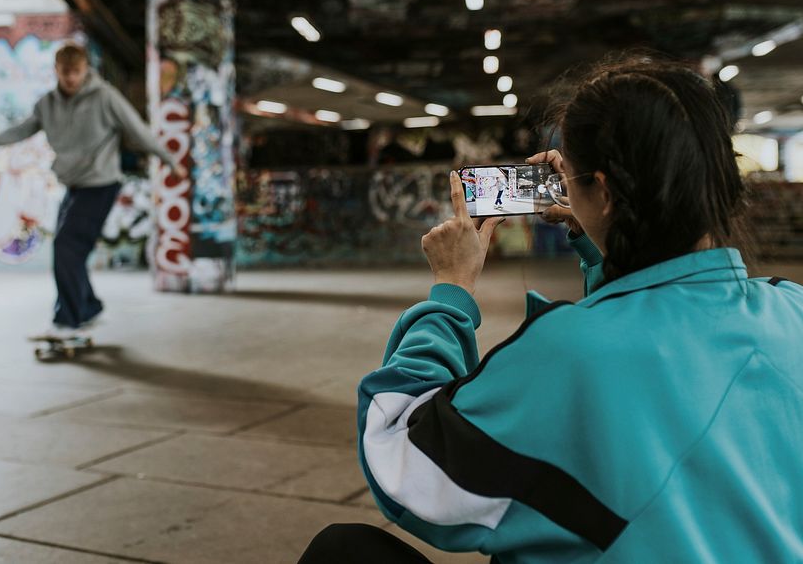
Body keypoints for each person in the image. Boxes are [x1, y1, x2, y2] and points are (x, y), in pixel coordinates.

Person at [300, 56, 803, 562]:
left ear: (601, 191)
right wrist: (599, 238)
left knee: (343, 550)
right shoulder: (793, 308)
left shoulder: (566, 350)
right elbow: (651, 312)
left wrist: (452, 289)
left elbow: (402, 454)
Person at [0, 42, 185, 337]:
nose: (71, 79)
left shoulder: (105, 97)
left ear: (86, 70)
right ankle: (88, 307)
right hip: (73, 186)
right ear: (56, 71)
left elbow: (137, 129)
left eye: (76, 72)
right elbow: (23, 129)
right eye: (65, 73)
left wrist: (170, 160)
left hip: (101, 184)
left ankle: (68, 321)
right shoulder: (47, 104)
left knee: (66, 247)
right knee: (70, 249)